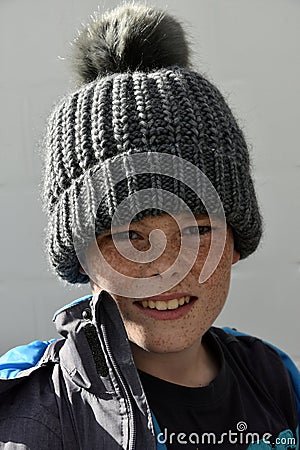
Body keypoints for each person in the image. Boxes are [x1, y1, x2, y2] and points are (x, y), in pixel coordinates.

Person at [0, 3, 299, 449]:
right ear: (82, 256)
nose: (167, 268)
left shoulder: (275, 376)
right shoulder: (30, 410)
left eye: (197, 230)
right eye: (130, 236)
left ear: (236, 243)